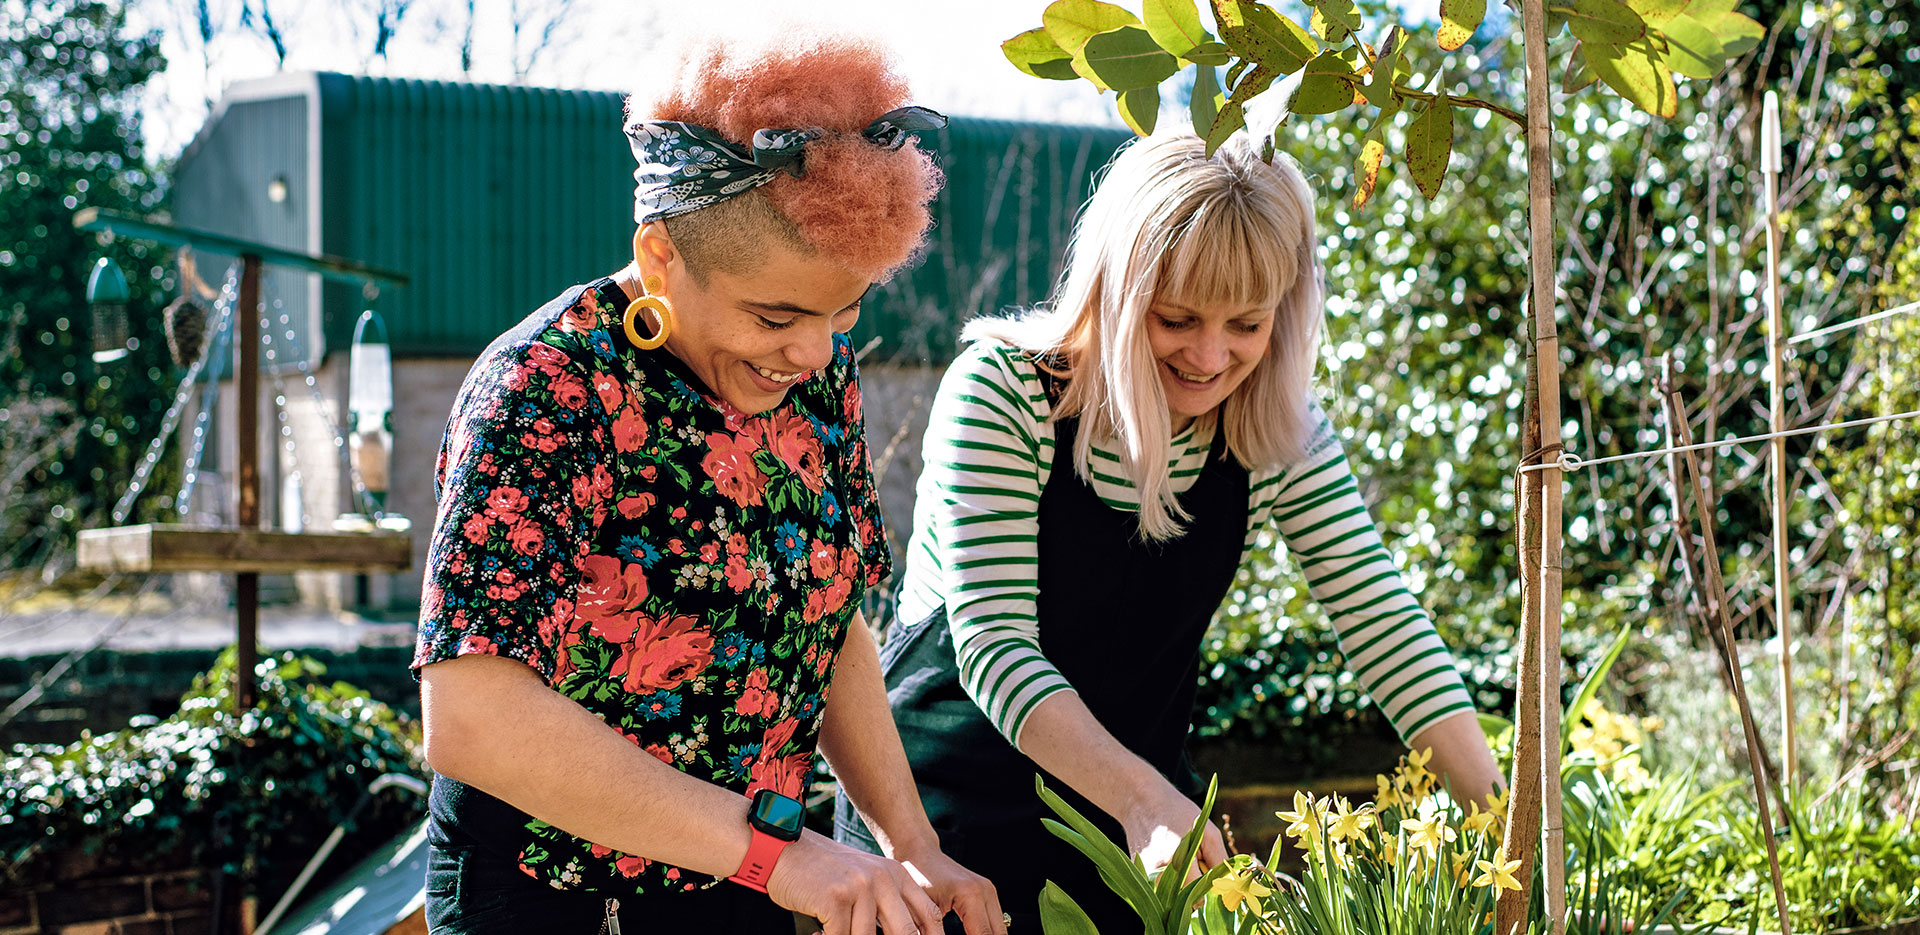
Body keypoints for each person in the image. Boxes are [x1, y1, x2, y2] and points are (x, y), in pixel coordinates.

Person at [832, 131, 1505, 932]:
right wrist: (1146, 797)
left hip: (1135, 830)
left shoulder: (1270, 426)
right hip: (944, 818)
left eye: (1247, 325)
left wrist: (1505, 823)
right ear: (1117, 289)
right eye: (1178, 317)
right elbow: (994, 644)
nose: (1212, 355)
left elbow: (1380, 618)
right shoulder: (1005, 392)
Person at [412, 32, 1003, 935]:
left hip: (745, 888)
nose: (811, 351)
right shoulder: (546, 386)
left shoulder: (814, 374)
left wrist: (910, 843)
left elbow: (829, 619)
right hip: (550, 897)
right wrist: (778, 853)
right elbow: (472, 716)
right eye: (776, 315)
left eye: (844, 312)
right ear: (661, 259)